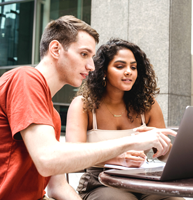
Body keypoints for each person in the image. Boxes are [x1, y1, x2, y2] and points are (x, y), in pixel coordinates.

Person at [0, 16, 173, 200]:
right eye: (84, 54)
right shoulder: (25, 78)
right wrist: (131, 142)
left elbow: (57, 188)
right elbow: (47, 160)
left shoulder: (53, 116)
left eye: (92, 57)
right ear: (56, 49)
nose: (91, 66)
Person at [65, 38, 183, 200]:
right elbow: (72, 155)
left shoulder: (148, 105)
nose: (128, 71)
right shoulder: (83, 105)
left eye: (133, 67)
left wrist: (163, 146)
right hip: (100, 181)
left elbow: (163, 156)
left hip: (144, 179)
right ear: (103, 71)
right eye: (120, 66)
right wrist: (117, 159)